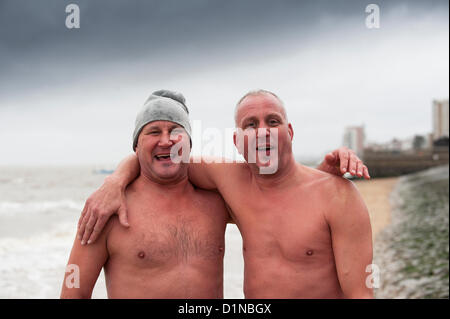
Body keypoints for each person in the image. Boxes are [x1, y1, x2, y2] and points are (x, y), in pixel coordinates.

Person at [77, 89, 373, 298]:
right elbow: (159, 159)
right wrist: (114, 182)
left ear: (290, 132)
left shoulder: (337, 195)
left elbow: (361, 294)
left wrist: (323, 174)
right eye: (250, 125)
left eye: (272, 121)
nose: (262, 132)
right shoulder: (228, 181)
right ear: (237, 140)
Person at [61, 90, 230, 298]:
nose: (166, 141)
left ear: (189, 144)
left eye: (176, 131)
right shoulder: (106, 210)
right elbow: (73, 289)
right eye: (154, 132)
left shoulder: (217, 204)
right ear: (136, 146)